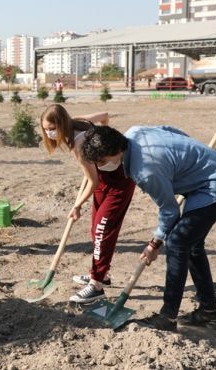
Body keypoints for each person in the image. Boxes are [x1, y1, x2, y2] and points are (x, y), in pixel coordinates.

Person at [81, 125, 216, 332]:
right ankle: (209, 312)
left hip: (211, 185)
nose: (100, 167)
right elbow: (174, 131)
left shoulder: (144, 170)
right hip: (203, 177)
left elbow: (170, 210)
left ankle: (167, 317)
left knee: (177, 242)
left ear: (116, 152)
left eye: (101, 162)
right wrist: (182, 163)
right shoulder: (134, 132)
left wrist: (154, 243)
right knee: (192, 244)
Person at [40, 104, 136, 303]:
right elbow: (105, 116)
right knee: (96, 229)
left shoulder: (78, 144)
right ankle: (102, 273)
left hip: (120, 180)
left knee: (102, 231)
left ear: (61, 123)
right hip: (104, 175)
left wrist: (77, 206)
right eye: (46, 129)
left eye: (51, 128)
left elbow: (93, 182)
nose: (49, 133)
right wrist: (103, 144)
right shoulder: (80, 121)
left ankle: (96, 285)